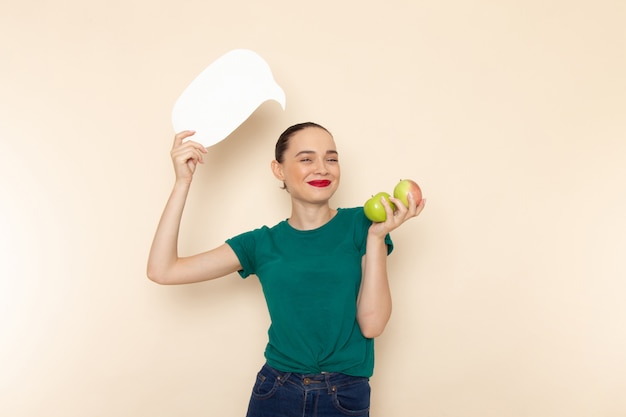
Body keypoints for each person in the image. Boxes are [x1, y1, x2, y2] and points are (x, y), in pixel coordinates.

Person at [147, 122, 426, 417]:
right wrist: (182, 183)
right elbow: (163, 270)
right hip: (276, 391)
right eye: (306, 159)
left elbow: (372, 325)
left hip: (344, 394)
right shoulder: (260, 243)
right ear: (279, 169)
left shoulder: (364, 225)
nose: (322, 168)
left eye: (331, 158)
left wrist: (376, 237)